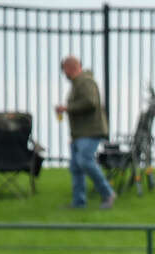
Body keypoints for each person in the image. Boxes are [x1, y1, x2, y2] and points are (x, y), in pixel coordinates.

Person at [55, 55, 115, 209]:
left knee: (85, 161)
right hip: (79, 134)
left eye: (64, 71)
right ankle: (79, 202)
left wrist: (67, 108)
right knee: (76, 167)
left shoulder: (85, 82)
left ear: (69, 68)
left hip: (90, 131)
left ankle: (108, 193)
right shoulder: (77, 83)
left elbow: (91, 102)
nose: (65, 74)